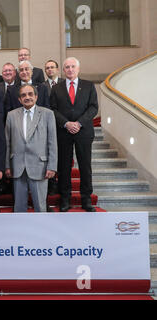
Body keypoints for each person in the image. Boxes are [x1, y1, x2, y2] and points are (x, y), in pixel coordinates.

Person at [50, 57, 99, 212]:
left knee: (85, 166)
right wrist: (66, 123)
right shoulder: (56, 88)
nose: (70, 69)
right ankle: (65, 199)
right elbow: (53, 109)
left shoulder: (89, 86)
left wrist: (78, 123)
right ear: (63, 70)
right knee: (63, 167)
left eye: (73, 67)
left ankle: (86, 199)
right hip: (63, 132)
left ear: (78, 69)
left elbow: (93, 108)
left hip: (83, 132)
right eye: (67, 67)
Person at [5, 84, 57, 212]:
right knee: (19, 207)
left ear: (36, 96)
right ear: (19, 99)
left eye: (30, 94)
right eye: (23, 95)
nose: (27, 97)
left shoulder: (47, 114)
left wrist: (52, 166)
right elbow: (7, 142)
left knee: (40, 205)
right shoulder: (11, 115)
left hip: (40, 166)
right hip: (17, 166)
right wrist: (7, 165)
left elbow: (52, 141)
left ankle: (41, 231)